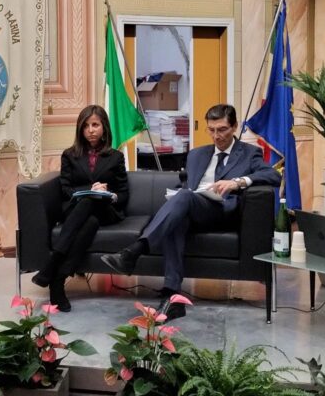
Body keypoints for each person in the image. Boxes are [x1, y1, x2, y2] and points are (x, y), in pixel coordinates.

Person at [101, 104, 281, 320]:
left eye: (222, 129)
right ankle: (172, 297)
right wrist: (177, 195)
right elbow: (185, 185)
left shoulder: (249, 153)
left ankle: (134, 251)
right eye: (211, 130)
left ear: (234, 127)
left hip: (223, 211)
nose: (217, 136)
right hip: (194, 207)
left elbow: (273, 176)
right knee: (178, 216)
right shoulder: (196, 154)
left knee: (184, 198)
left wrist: (238, 182)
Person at [31, 105, 129, 312]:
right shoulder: (69, 155)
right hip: (78, 208)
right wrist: (89, 190)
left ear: (104, 127)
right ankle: (58, 280)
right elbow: (65, 189)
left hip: (106, 210)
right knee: (89, 217)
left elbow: (123, 194)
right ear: (80, 129)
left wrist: (109, 194)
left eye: (95, 125)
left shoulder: (116, 157)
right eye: (85, 126)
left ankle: (53, 263)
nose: (90, 130)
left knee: (91, 202)